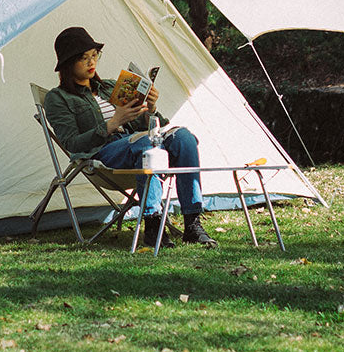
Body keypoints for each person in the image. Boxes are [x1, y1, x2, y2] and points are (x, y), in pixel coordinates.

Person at [44, 26, 216, 248]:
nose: (91, 62)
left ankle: (192, 224)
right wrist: (112, 124)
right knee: (147, 145)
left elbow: (155, 125)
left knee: (183, 137)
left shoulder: (108, 87)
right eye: (83, 58)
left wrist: (151, 108)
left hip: (139, 144)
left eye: (94, 55)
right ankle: (153, 225)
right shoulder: (58, 98)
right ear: (68, 64)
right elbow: (72, 144)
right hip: (104, 153)